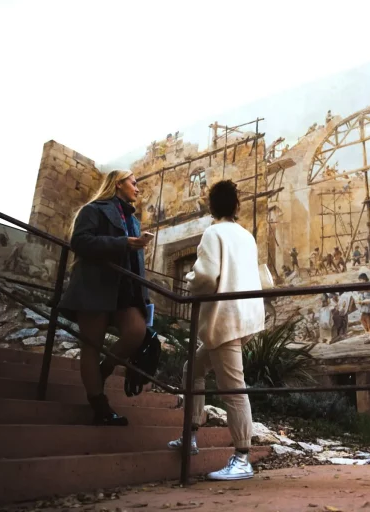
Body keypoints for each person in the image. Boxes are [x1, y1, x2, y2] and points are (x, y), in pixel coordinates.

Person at [166, 180, 265, 481]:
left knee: (233, 389)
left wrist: (189, 278)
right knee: (192, 369)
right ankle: (191, 434)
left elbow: (207, 277)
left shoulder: (213, 232)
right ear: (236, 206)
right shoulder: (246, 236)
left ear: (211, 207)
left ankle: (242, 457)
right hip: (244, 315)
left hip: (225, 319)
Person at [59, 170, 151, 426]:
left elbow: (136, 260)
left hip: (126, 289)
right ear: (119, 183)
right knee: (92, 343)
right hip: (95, 285)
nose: (138, 188)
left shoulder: (133, 220)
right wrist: (123, 243)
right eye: (134, 182)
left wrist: (143, 295)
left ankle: (104, 369)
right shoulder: (94, 209)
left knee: (136, 331)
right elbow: (80, 241)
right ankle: (99, 404)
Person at [357, 273, 370, 339]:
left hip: (369, 306)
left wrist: (361, 301)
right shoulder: (363, 286)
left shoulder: (369, 286)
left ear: (364, 279)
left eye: (361, 280)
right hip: (364, 306)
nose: (360, 281)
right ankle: (367, 332)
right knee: (362, 319)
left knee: (368, 320)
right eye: (359, 280)